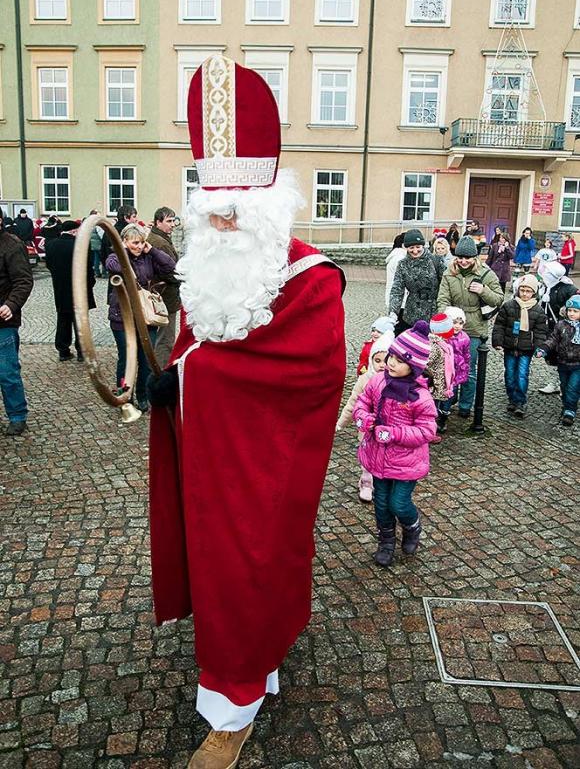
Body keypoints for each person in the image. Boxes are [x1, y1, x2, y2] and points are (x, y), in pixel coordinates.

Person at [146, 54, 346, 767]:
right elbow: (197, 344)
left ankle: (231, 711)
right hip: (211, 458)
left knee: (255, 566)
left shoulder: (311, 279)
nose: (223, 218)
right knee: (228, 573)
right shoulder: (209, 269)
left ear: (269, 205)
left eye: (236, 207)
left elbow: (314, 371)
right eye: (212, 208)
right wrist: (168, 375)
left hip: (270, 465)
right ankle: (248, 677)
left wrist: (192, 378)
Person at [352, 321, 437, 567]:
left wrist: (393, 433)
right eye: (391, 357)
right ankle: (386, 542)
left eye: (400, 361)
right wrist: (364, 419)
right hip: (378, 458)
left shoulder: (419, 396)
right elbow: (362, 403)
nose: (391, 363)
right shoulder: (378, 382)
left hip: (405, 463)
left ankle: (412, 527)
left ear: (413, 367)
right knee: (381, 503)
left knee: (398, 502)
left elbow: (426, 430)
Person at [105, 223, 175, 413]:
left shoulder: (147, 257)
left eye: (141, 242)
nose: (139, 246)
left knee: (146, 358)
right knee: (126, 359)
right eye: (135, 242)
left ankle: (143, 397)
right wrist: (124, 250)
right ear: (125, 242)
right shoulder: (116, 256)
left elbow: (170, 265)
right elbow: (113, 265)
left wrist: (151, 250)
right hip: (122, 318)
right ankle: (124, 394)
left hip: (146, 316)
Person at [437, 236, 504, 418]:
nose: (463, 261)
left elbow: (499, 298)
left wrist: (483, 290)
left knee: (468, 367)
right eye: (460, 257)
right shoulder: (449, 272)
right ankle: (448, 402)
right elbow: (442, 298)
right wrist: (448, 317)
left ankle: (466, 405)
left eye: (467, 258)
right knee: (449, 366)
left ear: (475, 257)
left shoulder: (486, 273)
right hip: (452, 326)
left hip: (475, 327)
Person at [337, 331, 394, 502]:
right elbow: (353, 402)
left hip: (388, 430)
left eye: (386, 360)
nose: (382, 365)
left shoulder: (398, 381)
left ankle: (384, 483)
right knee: (368, 458)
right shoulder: (364, 380)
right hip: (367, 430)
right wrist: (341, 422)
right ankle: (366, 482)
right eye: (377, 361)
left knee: (385, 457)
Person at [492, 275, 547, 418]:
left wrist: (539, 347)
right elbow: (499, 325)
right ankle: (511, 397)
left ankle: (519, 401)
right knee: (510, 374)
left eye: (528, 291)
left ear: (534, 293)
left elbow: (540, 332)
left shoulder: (538, 310)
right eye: (522, 290)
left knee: (522, 375)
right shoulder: (509, 306)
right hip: (510, 347)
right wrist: (498, 342)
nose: (524, 294)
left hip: (526, 349)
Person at [0, 208, 33, 436]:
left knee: (7, 372)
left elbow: (23, 280)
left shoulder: (11, 245)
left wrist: (10, 305)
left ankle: (17, 415)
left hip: (3, 322)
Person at [45, 220, 95, 362]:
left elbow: (49, 265)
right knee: (80, 320)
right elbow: (88, 269)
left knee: (63, 320)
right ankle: (81, 352)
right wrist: (90, 285)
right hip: (79, 289)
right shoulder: (81, 245)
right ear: (74, 231)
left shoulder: (51, 245)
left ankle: (63, 350)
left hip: (60, 289)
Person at [389, 229, 444, 333]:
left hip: (433, 311)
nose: (415, 251)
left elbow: (446, 286)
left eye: (418, 247)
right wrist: (393, 312)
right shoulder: (403, 264)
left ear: (423, 246)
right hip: (412, 313)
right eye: (411, 248)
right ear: (406, 247)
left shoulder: (436, 261)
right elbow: (397, 290)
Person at [536, 295, 580, 426]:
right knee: (565, 387)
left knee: (573, 387)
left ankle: (570, 411)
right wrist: (544, 348)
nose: (571, 313)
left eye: (575, 311)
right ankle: (567, 405)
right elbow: (553, 339)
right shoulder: (561, 325)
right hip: (563, 363)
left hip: (578, 364)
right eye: (570, 310)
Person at [146, 207, 181, 369]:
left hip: (163, 295)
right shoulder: (160, 242)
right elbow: (170, 272)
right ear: (158, 222)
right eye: (169, 221)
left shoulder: (159, 238)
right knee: (165, 340)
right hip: (165, 296)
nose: (173, 224)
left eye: (173, 220)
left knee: (161, 337)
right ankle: (161, 373)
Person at [438, 307, 471, 425]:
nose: (457, 326)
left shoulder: (465, 338)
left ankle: (443, 416)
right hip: (444, 370)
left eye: (460, 323)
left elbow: (466, 354)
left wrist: (465, 368)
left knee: (451, 394)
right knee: (441, 393)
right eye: (454, 322)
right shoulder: (443, 337)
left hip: (457, 371)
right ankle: (438, 413)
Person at [426, 313, 455, 439]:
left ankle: (432, 429)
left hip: (439, 383)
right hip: (434, 384)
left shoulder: (442, 344)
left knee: (435, 407)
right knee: (431, 410)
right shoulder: (435, 347)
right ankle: (429, 432)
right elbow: (426, 363)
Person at [385, 232, 407, 309]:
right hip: (401, 302)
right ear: (403, 245)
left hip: (395, 300)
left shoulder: (396, 256)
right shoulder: (400, 259)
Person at [88, 210, 105, 278]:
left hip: (93, 245)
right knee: (102, 258)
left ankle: (96, 272)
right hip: (99, 244)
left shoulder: (89, 224)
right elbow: (101, 235)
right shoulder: (98, 225)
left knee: (96, 259)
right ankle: (104, 273)